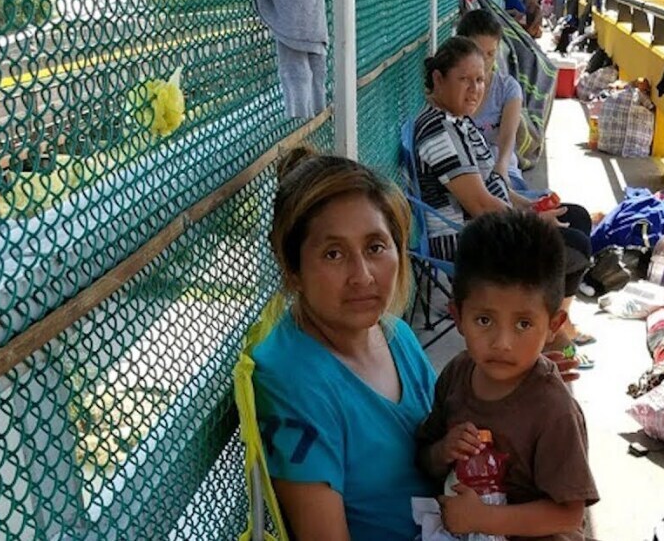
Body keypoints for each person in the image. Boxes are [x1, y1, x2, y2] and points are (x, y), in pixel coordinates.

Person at [251, 148, 581, 541]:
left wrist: (514, 385)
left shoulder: (394, 335)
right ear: (292, 268)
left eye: (375, 247)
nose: (362, 276)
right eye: (333, 254)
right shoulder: (293, 380)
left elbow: (447, 436)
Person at [416, 210, 600, 541]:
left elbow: (569, 515)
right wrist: (443, 450)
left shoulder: (554, 410)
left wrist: (483, 519)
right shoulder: (457, 374)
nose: (502, 343)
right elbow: (425, 458)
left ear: (553, 326)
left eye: (523, 324)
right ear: (458, 317)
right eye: (484, 320)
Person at [414, 36, 594, 357]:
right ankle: (547, 332)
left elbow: (494, 183)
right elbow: (480, 204)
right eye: (464, 80)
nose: (475, 89)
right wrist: (531, 221)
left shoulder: (458, 121)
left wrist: (529, 205)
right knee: (575, 246)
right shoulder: (438, 132)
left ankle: (551, 327)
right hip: (469, 240)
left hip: (493, 225)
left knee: (575, 215)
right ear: (438, 79)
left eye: (480, 79)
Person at [455, 9, 528, 192]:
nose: (485, 61)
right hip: (466, 177)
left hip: (502, 171)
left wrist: (501, 169)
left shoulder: (508, 89)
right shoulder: (451, 89)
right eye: (479, 53)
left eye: (491, 53)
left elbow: (507, 137)